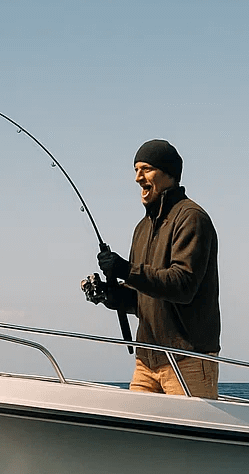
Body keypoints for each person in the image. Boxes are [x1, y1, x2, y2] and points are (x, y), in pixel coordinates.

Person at [85, 139, 221, 399]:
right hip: (146, 361)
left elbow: (183, 285)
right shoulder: (142, 228)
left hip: (188, 358)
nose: (138, 178)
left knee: (187, 440)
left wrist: (125, 269)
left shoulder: (191, 217)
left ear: (169, 173)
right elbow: (142, 299)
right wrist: (109, 295)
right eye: (136, 170)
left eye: (145, 169)